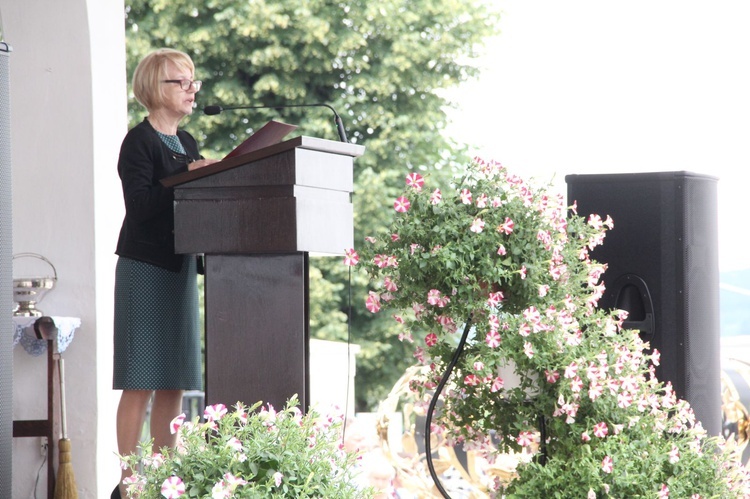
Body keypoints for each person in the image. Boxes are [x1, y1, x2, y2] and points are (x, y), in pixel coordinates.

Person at [111, 48, 217, 499]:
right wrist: (188, 178)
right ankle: (132, 483)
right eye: (183, 82)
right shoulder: (139, 142)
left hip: (179, 270)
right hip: (144, 270)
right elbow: (141, 207)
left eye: (194, 81)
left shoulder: (187, 141)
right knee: (140, 381)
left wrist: (201, 175)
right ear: (157, 87)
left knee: (173, 380)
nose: (193, 89)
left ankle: (162, 479)